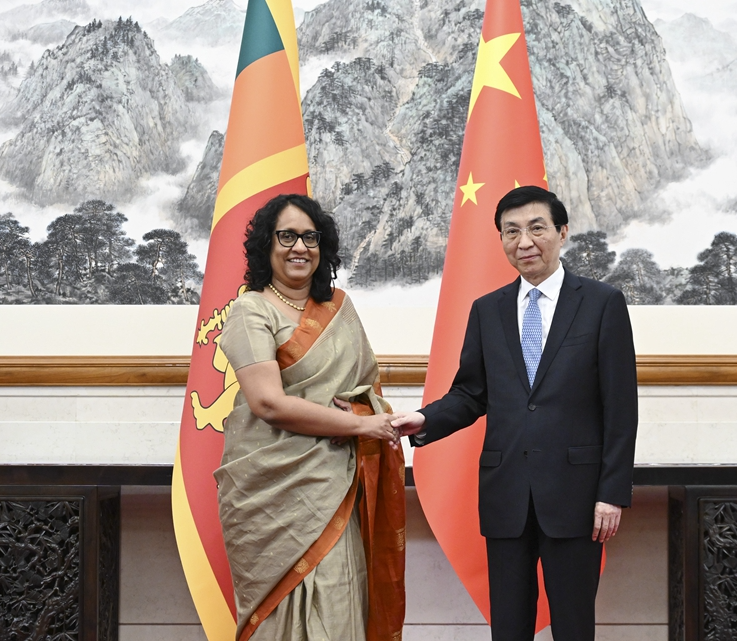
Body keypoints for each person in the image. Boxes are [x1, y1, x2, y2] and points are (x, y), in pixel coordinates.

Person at [393, 186, 638, 641]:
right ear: (502, 240)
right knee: (508, 626)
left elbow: (621, 408)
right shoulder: (488, 310)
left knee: (574, 626)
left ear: (562, 232)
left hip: (576, 496)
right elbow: (470, 394)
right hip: (506, 495)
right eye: (511, 232)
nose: (524, 242)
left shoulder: (602, 303)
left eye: (536, 228)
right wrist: (425, 420)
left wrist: (612, 493)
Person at [214, 193, 405, 641]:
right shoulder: (251, 310)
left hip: (335, 485)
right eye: (287, 236)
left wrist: (364, 411)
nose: (300, 247)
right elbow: (268, 403)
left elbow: (366, 390)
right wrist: (360, 424)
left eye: (310, 237)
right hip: (270, 492)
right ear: (266, 244)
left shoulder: (340, 308)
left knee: (339, 601)